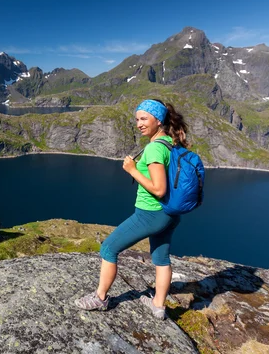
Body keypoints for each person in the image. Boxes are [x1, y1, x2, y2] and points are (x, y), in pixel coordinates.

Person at [74, 98, 189, 320]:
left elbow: (158, 188)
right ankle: (158, 306)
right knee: (161, 258)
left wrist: (132, 170)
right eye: (137, 119)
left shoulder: (155, 149)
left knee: (108, 248)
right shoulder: (170, 143)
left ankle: (101, 298)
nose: (139, 124)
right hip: (170, 214)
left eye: (144, 118)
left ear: (159, 120)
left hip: (151, 214)